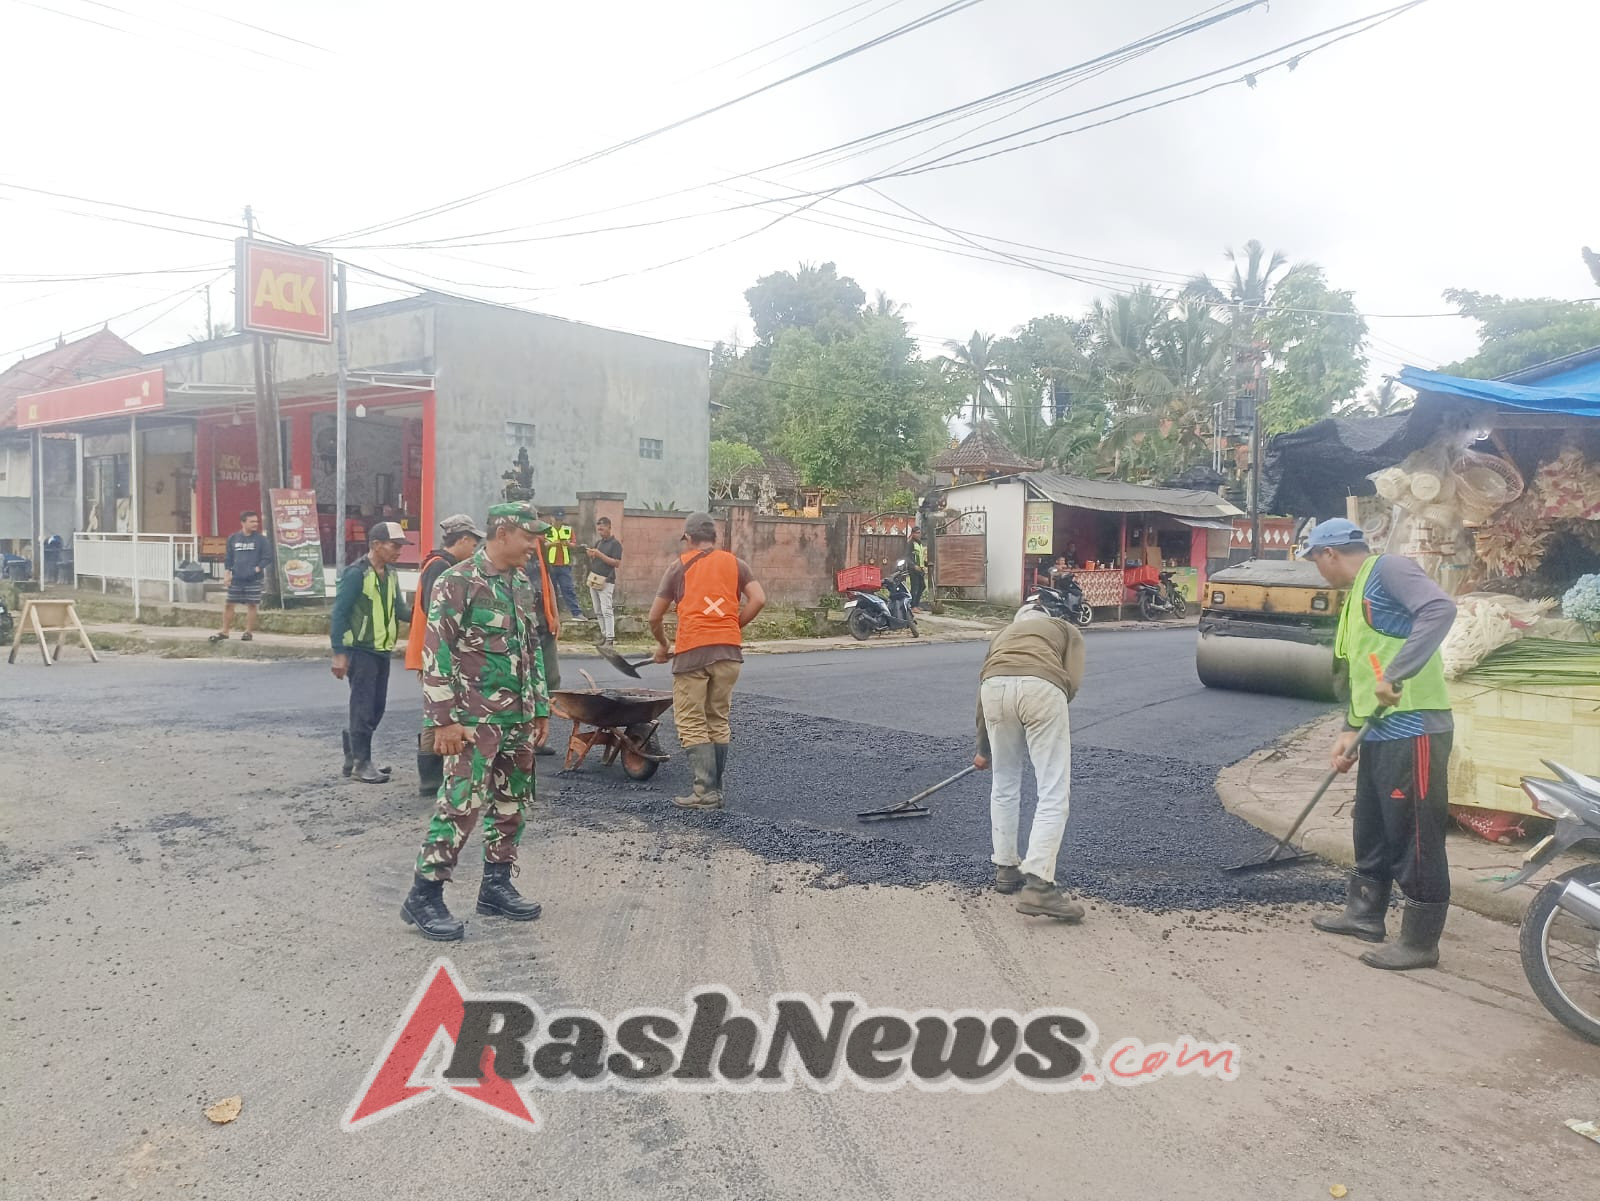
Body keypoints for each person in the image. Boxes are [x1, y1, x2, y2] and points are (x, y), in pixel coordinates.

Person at [1301, 518, 1457, 971]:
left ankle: (1421, 941)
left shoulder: (1388, 569)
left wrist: (1397, 673)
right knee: (1370, 826)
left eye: (1315, 560)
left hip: (1414, 728)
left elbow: (1440, 609)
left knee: (1414, 834)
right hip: (1377, 730)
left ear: (1329, 553)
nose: (1317, 570)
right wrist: (1349, 730)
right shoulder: (1355, 596)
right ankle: (1365, 913)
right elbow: (1362, 670)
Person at [400, 503, 551, 940]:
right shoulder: (457, 581)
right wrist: (443, 721)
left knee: (512, 803)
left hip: (517, 718)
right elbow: (436, 653)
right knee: (460, 805)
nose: (534, 545)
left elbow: (531, 649)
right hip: (472, 721)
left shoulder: (520, 583)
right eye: (529, 536)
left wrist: (540, 707)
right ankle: (424, 894)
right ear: (503, 532)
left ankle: (496, 885)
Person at [972, 603, 1087, 922]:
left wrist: (984, 750)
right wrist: (1045, 713)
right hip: (1043, 689)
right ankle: (1039, 885)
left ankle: (1006, 867)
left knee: (1004, 783)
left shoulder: (1003, 634)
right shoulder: (1064, 629)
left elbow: (983, 688)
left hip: (993, 691)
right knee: (1052, 790)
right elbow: (1072, 680)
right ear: (1046, 618)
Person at [649, 512, 766, 810]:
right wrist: (732, 626)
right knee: (717, 718)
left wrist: (663, 645)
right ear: (715, 537)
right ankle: (716, 789)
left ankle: (704, 792)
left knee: (691, 721)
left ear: (688, 538)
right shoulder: (736, 564)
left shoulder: (679, 567)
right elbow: (759, 599)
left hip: (692, 653)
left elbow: (654, 616)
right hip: (729, 653)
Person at [406, 514, 485, 798]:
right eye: (473, 544)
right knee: (436, 711)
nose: (474, 551)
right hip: (435, 651)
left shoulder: (437, 563)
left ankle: (437, 774)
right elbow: (437, 612)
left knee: (440, 708)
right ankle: (430, 778)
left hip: (433, 649)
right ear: (462, 539)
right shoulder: (440, 567)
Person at [330, 521, 406, 784]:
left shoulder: (391, 574)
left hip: (382, 649)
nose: (399, 551)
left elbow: (401, 610)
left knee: (376, 707)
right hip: (360, 650)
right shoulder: (356, 574)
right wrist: (339, 652)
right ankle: (361, 763)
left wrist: (430, 613)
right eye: (394, 546)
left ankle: (354, 755)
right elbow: (339, 613)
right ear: (376, 545)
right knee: (363, 706)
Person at [524, 528, 563, 755]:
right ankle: (523, 738)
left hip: (543, 623)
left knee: (550, 680)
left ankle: (538, 737)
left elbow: (547, 581)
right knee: (525, 682)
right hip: (524, 626)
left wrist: (555, 615)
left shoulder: (540, 549)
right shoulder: (514, 550)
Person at [211, 511, 269, 643]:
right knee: (229, 604)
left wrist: (257, 568)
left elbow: (267, 557)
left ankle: (248, 632)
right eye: (252, 521)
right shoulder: (233, 538)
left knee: (252, 605)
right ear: (243, 522)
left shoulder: (261, 539)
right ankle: (225, 631)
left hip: (253, 578)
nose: (255, 524)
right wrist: (227, 574)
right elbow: (229, 557)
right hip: (236, 578)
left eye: (256, 521)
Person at [585, 516, 624, 648]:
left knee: (606, 609)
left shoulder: (615, 544)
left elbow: (616, 563)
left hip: (607, 580)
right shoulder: (599, 543)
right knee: (598, 610)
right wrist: (592, 555)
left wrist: (599, 555)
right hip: (595, 578)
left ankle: (610, 638)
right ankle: (604, 634)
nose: (600, 532)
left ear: (609, 527)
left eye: (602, 529)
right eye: (599, 530)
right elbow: (597, 559)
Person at [544, 506, 585, 620]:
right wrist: (553, 543)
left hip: (564, 565)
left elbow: (574, 545)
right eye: (556, 519)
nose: (558, 522)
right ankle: (551, 615)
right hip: (550, 565)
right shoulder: (546, 529)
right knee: (550, 592)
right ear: (551, 518)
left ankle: (576, 613)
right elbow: (542, 545)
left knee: (568, 589)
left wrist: (567, 544)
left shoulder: (568, 529)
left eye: (560, 519)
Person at [907, 526, 929, 612]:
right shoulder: (910, 543)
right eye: (917, 533)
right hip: (913, 569)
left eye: (919, 533)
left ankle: (916, 604)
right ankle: (912, 606)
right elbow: (907, 557)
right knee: (915, 587)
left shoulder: (919, 543)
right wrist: (913, 566)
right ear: (912, 534)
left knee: (922, 586)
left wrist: (926, 564)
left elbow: (920, 557)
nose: (919, 534)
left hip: (920, 569)